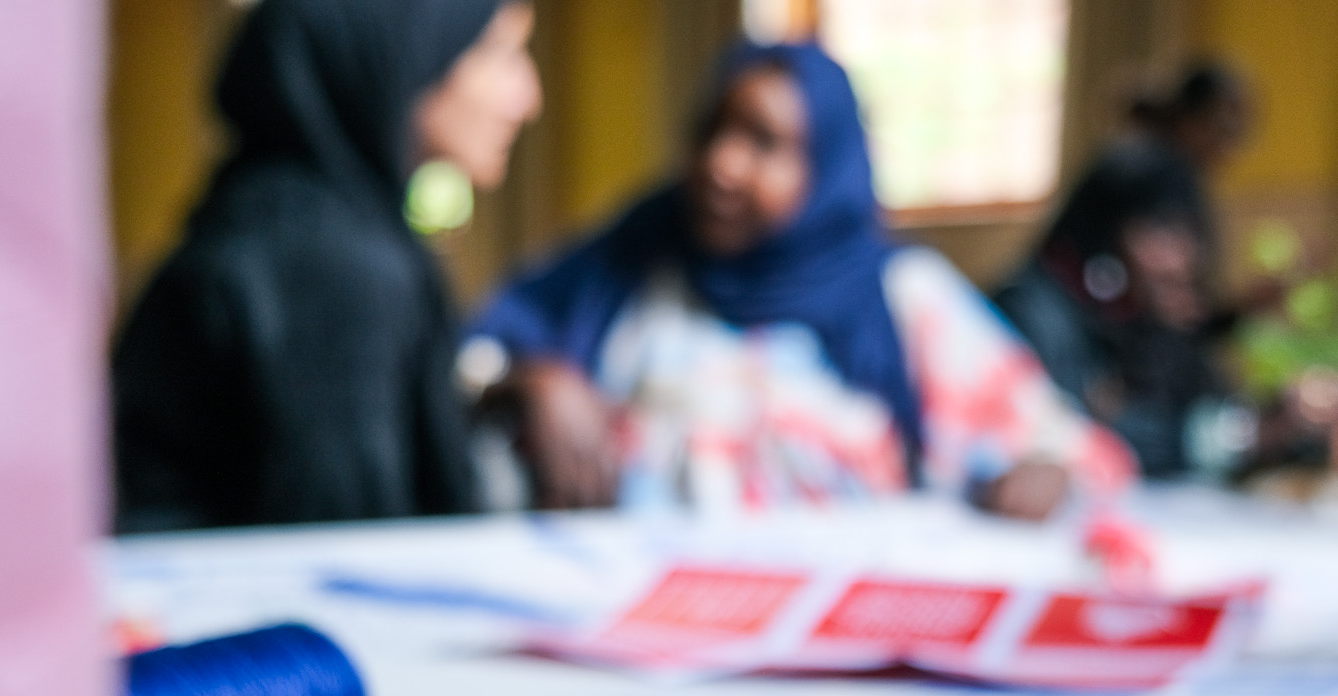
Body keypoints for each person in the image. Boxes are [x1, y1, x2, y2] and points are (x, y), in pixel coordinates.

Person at [467, 43, 1129, 520]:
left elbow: (1067, 448)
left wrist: (1045, 475)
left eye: (762, 142)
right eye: (711, 132)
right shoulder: (635, 265)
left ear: (826, 168)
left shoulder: (902, 298)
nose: (721, 165)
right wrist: (533, 382)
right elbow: (464, 361)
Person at [111, 0, 540, 532]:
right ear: (398, 52)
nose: (528, 99)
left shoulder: (275, 222)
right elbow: (350, 560)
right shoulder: (330, 272)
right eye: (502, 55)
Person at [993, 62, 1257, 478]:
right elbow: (1076, 443)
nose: (1182, 260)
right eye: (1163, 234)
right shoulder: (1035, 315)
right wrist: (1240, 439)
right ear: (1109, 234)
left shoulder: (1133, 313)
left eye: (1188, 238)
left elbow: (1202, 404)